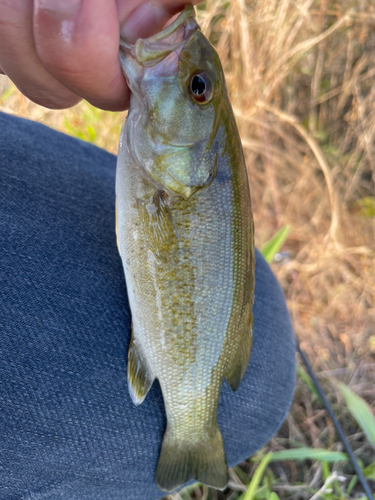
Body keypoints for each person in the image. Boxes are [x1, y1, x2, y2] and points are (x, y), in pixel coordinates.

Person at [0, 2, 296, 499]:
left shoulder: (176, 180)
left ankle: (193, 434)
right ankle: (192, 431)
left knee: (261, 328)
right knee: (263, 374)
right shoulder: (175, 179)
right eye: (198, 87)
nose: (190, 80)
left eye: (196, 88)